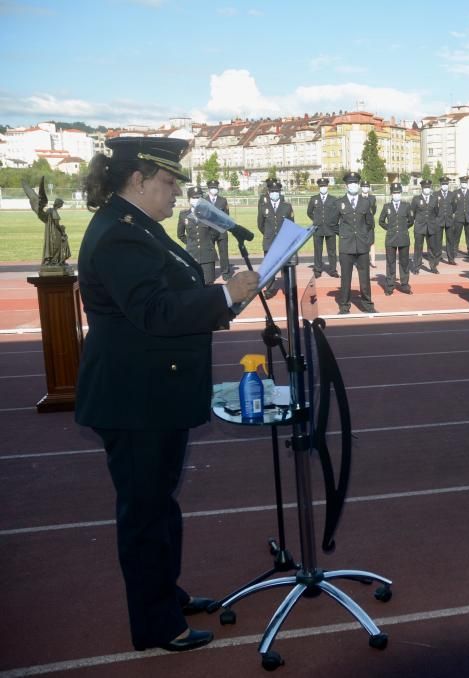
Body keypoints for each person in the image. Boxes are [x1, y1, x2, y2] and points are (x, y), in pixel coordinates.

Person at [75, 136, 259, 654]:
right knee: (145, 511)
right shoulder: (121, 235)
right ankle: (155, 624)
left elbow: (173, 293)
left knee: (159, 505)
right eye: (168, 182)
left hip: (152, 391)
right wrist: (225, 294)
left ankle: (165, 595)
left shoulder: (137, 227)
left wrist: (222, 299)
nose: (176, 192)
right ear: (138, 179)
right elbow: (155, 312)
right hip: (136, 399)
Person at [331, 171, 376, 314]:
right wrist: (344, 234)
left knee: (365, 278)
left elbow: (370, 223)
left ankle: (367, 305)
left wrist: (365, 238)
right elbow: (333, 224)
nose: (353, 185)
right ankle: (344, 306)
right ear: (346, 185)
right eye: (350, 183)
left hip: (362, 245)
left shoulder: (366, 202)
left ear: (359, 185)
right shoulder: (339, 203)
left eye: (355, 183)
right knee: (346, 278)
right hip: (346, 246)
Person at [256, 178, 294, 298]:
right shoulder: (264, 207)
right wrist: (268, 233)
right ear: (269, 192)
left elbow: (291, 224)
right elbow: (260, 225)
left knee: (285, 267)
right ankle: (269, 289)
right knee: (269, 267)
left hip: (283, 242)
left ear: (280, 192)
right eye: (272, 191)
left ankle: (288, 289)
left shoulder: (287, 207)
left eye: (276, 191)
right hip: (269, 241)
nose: (274, 193)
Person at [378, 182, 413, 295]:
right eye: (394, 193)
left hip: (403, 238)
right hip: (391, 239)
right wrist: (389, 228)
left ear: (401, 194)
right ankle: (390, 286)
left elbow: (411, 221)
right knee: (390, 263)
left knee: (404, 262)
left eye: (398, 193)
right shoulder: (386, 206)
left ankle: (405, 285)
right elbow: (381, 221)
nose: (396, 195)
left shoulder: (406, 206)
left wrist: (403, 228)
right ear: (391, 194)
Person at [176, 186, 217, 282]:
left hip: (207, 255)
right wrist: (191, 243)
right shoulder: (183, 215)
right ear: (188, 199)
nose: (197, 200)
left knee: (209, 283)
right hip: (192, 254)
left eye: (199, 197)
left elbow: (215, 232)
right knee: (195, 283)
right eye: (194, 198)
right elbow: (180, 234)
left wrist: (207, 242)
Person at [308, 177, 339, 278]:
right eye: (321, 186)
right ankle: (317, 269)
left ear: (327, 187)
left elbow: (337, 213)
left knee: (332, 251)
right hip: (318, 229)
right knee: (318, 250)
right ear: (319, 187)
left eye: (324, 186)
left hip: (330, 229)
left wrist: (333, 222)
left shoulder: (333, 199)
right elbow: (309, 212)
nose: (323, 188)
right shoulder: (314, 199)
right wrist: (316, 220)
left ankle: (333, 270)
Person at [205, 179, 233, 280]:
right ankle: (210, 273)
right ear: (208, 189)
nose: (214, 190)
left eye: (215, 188)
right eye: (212, 188)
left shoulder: (223, 200)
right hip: (208, 231)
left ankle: (225, 273)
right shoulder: (204, 200)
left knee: (224, 253)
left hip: (221, 231)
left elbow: (227, 216)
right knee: (209, 253)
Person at [410, 179, 439, 274]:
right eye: (425, 187)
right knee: (418, 247)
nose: (427, 189)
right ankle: (416, 267)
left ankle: (433, 266)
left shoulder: (434, 199)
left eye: (428, 187)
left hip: (431, 226)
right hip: (419, 227)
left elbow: (436, 212)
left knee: (432, 247)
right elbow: (412, 213)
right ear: (422, 188)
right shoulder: (416, 199)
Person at [435, 176, 455, 265]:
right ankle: (438, 257)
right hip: (439, 220)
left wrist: (450, 214)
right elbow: (434, 207)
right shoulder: (435, 194)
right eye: (443, 184)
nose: (444, 186)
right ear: (440, 185)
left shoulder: (452, 194)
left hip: (449, 220)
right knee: (438, 240)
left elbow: (455, 206)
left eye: (446, 184)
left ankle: (451, 258)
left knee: (450, 240)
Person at [455, 175, 469, 256]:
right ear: (460, 183)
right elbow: (453, 204)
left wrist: (468, 211)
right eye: (462, 182)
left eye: (465, 182)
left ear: (467, 183)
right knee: (457, 234)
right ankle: (455, 249)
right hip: (458, 217)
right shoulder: (455, 192)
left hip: (468, 216)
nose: (464, 184)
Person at [361, 180, 378, 271]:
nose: (365, 188)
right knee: (361, 243)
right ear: (361, 188)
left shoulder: (372, 198)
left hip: (370, 223)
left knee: (371, 242)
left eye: (367, 187)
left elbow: (374, 211)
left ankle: (373, 261)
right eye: (363, 187)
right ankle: (362, 261)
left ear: (369, 188)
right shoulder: (358, 197)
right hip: (360, 223)